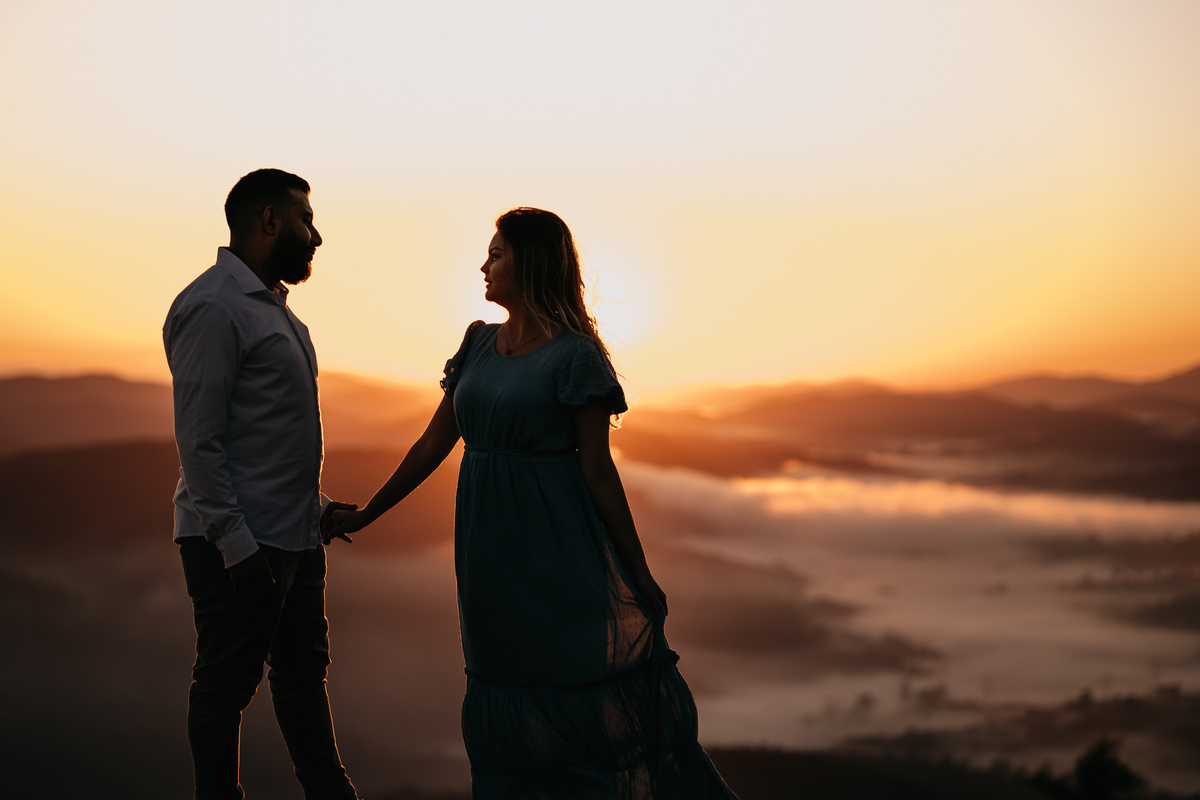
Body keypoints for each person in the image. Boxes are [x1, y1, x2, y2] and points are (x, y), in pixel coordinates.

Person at [322, 207, 738, 799]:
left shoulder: (577, 356)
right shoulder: (475, 342)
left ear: (531, 262)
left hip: (557, 552)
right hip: (489, 559)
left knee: (573, 703)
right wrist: (369, 513)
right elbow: (434, 442)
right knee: (504, 699)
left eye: (496, 253)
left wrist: (637, 571)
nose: (484, 265)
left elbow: (598, 472)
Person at [164, 168, 360, 800]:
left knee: (303, 677)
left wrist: (318, 507)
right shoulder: (213, 306)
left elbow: (266, 437)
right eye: (306, 220)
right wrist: (235, 545)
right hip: (244, 544)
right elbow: (201, 440)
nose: (317, 236)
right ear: (270, 220)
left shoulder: (273, 311)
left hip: (294, 535)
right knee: (225, 686)